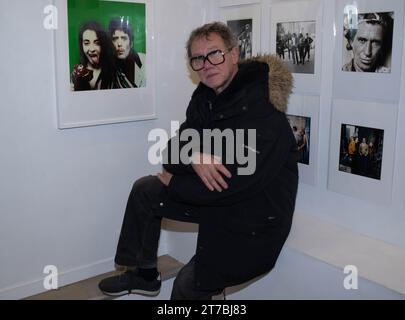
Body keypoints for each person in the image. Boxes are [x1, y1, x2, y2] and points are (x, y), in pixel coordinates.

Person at [98, 22, 298, 300]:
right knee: (145, 190)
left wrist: (176, 181)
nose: (206, 64)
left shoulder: (264, 115)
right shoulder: (207, 100)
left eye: (214, 54)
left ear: (234, 54)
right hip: (219, 203)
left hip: (255, 220)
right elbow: (171, 152)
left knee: (188, 285)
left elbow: (232, 185)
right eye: (198, 58)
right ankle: (144, 275)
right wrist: (193, 157)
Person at [71, 21, 134, 91]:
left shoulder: (115, 75)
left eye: (97, 43)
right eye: (86, 43)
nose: (92, 49)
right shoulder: (76, 73)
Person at [108, 17, 146, 88]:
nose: (119, 44)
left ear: (131, 43)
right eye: (115, 39)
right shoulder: (108, 68)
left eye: (124, 38)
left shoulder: (145, 60)